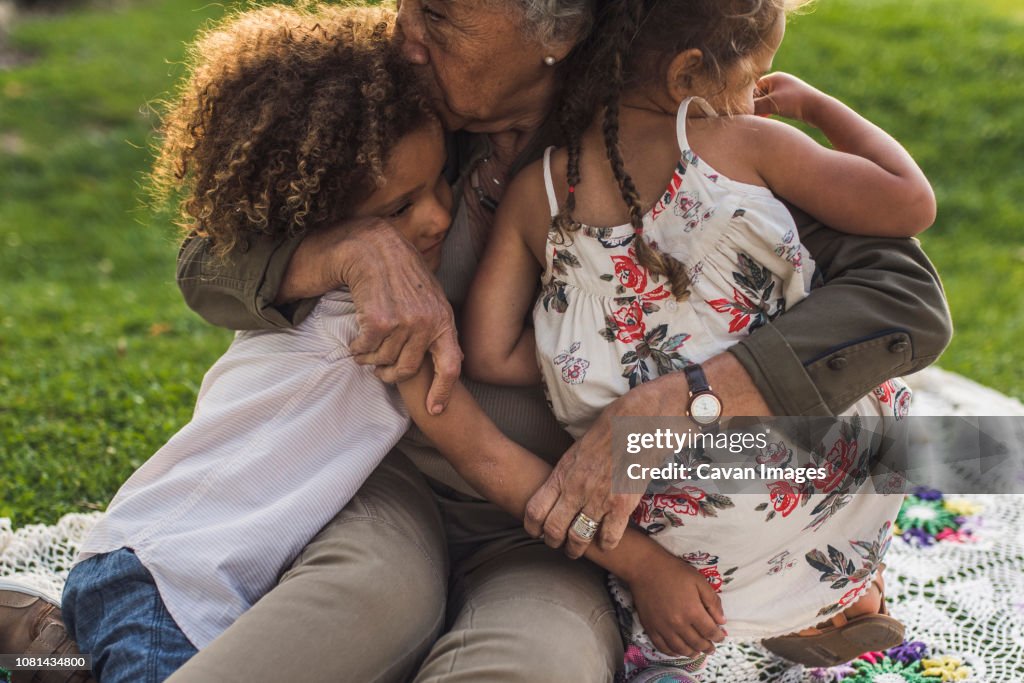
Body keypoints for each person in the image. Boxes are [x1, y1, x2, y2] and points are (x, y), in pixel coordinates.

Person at [0, 1, 951, 681]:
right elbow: (207, 262)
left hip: (580, 543)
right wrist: (349, 246)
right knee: (368, 604)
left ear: (559, 33)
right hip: (399, 486)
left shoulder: (691, 129)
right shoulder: (397, 101)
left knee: (532, 660)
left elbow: (904, 297)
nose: (404, 26)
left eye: (442, 14)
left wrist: (681, 404)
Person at [460, 0, 929, 676]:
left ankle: (692, 641)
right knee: (869, 389)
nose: (755, 95)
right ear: (689, 74)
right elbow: (910, 203)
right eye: (755, 75)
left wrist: (596, 351)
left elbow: (491, 353)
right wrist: (819, 108)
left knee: (693, 507)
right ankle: (839, 596)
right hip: (812, 469)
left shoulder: (537, 192)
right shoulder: (745, 143)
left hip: (677, 531)